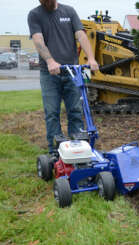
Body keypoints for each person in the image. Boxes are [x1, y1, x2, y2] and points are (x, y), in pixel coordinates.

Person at [27, 0, 99, 153]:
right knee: (52, 112)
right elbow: (38, 40)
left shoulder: (69, 11)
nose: (45, 2)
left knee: (76, 110)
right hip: (50, 73)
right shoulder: (35, 14)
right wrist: (50, 61)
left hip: (72, 71)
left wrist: (91, 58)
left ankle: (79, 149)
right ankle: (55, 152)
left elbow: (81, 35)